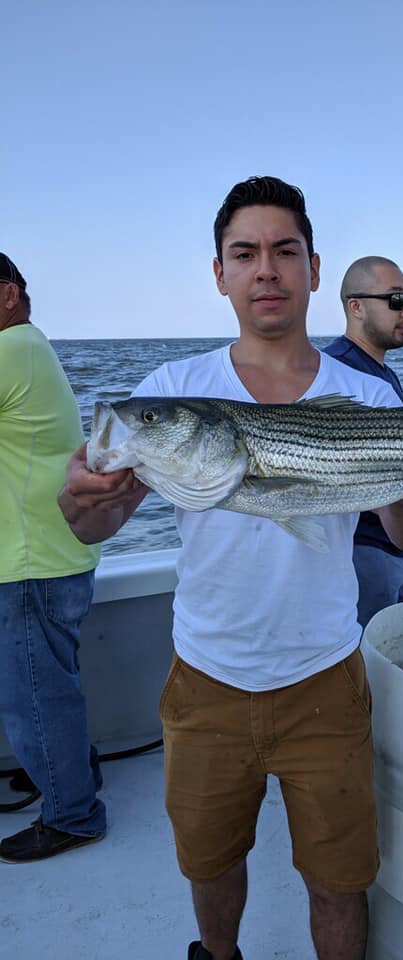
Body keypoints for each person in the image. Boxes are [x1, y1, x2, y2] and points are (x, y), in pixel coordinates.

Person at [57, 177, 403, 960]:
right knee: (210, 860)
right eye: (245, 253)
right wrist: (83, 497)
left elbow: (398, 531)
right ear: (220, 273)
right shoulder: (170, 392)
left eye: (284, 251)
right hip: (204, 679)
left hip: (325, 677)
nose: (266, 269)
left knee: (338, 876)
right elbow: (94, 523)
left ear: (315, 271)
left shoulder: (368, 396)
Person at [0, 253, 105, 863]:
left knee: (33, 693)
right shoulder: (32, 347)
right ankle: (71, 769)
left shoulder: (11, 349)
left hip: (30, 560)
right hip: (53, 550)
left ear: (8, 293)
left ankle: (72, 812)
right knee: (53, 682)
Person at [324, 256, 403, 627]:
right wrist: (395, 516)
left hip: (391, 548)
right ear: (356, 306)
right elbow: (338, 464)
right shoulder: (338, 372)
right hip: (361, 553)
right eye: (395, 300)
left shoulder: (379, 374)